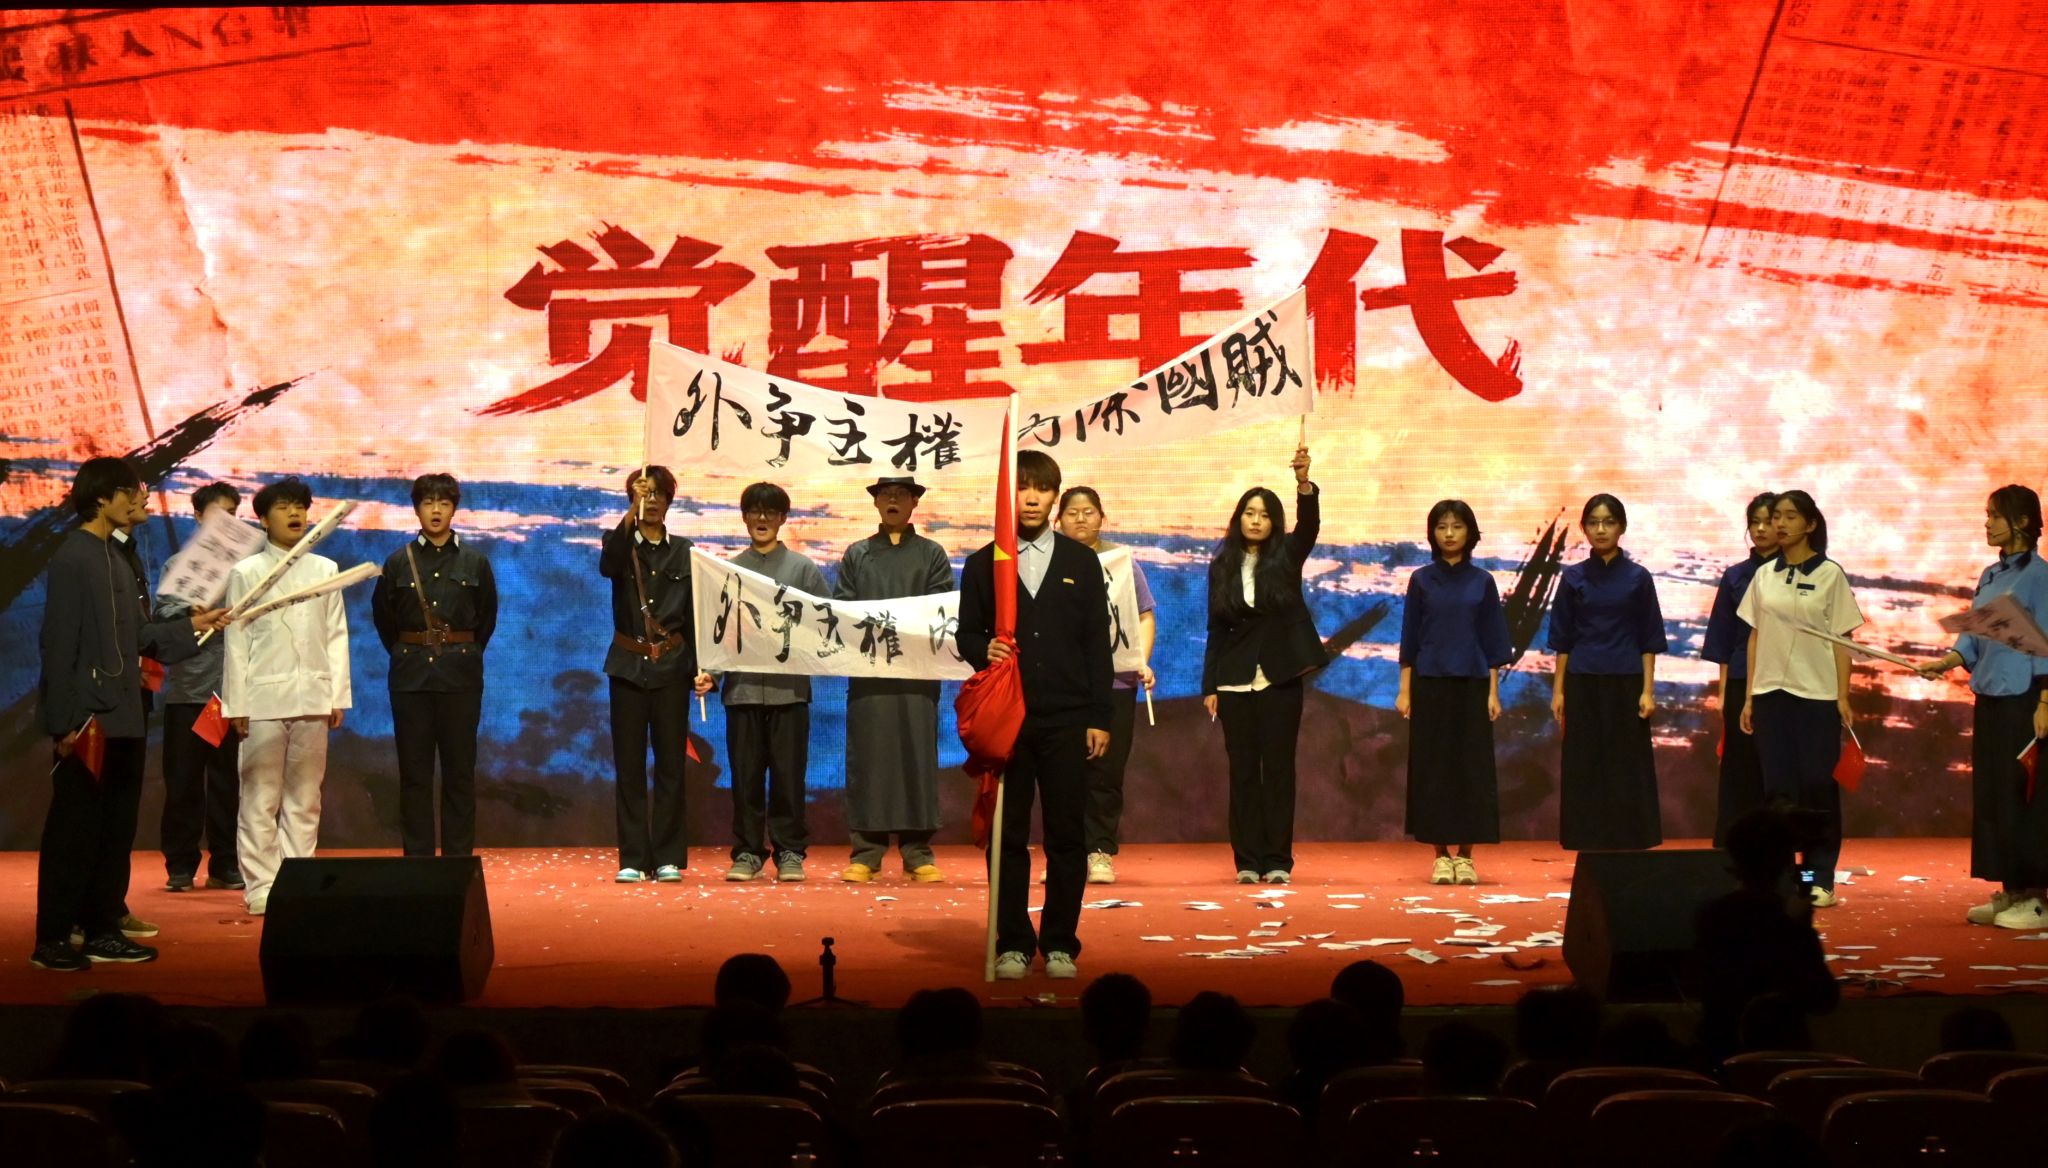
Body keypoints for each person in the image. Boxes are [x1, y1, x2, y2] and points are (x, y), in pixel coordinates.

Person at [32, 458, 225, 971]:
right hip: (89, 718)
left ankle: (101, 929)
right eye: (131, 490)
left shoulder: (116, 556)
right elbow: (58, 644)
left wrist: (194, 626)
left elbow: (139, 637)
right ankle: (52, 939)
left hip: (124, 713)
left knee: (114, 829)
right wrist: (63, 723)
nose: (142, 497)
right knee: (75, 830)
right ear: (102, 498)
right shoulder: (75, 556)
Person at [959, 450, 1114, 980]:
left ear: (1054, 497)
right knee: (1007, 836)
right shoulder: (985, 563)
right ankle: (1013, 943)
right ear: (1008, 495)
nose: (1030, 498)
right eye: (1022, 488)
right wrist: (983, 649)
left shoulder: (1080, 562)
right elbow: (966, 632)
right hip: (1008, 720)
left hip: (1067, 719)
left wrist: (1100, 716)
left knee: (1067, 835)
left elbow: (1096, 643)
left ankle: (1061, 943)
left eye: (1041, 489)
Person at [1916, 485, 2048, 931]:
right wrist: (1946, 662)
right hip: (1990, 695)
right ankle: (2011, 889)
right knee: (1994, 795)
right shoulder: (1991, 575)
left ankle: (2036, 897)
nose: (1987, 523)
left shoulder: (2039, 577)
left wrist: (2045, 701)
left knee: (2024, 796)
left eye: (1994, 516)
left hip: (2025, 700)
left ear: (2022, 522)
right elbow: (1974, 636)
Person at [224, 476, 351, 917]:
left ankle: (299, 879)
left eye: (300, 506)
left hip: (313, 695)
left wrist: (336, 695)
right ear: (263, 519)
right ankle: (261, 885)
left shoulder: (325, 569)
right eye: (283, 507)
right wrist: (236, 704)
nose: (295, 514)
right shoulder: (245, 572)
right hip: (262, 699)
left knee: (305, 796)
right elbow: (236, 641)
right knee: (260, 796)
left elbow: (335, 633)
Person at [1201, 446, 1326, 883]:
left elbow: (1309, 527)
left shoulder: (1287, 557)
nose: (1256, 521)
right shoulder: (1221, 566)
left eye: (1265, 515)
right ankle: (1247, 862)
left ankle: (1277, 860)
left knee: (1277, 770)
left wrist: (1303, 484)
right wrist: (1210, 686)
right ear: (1238, 519)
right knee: (1242, 774)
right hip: (1234, 681)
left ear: (1275, 522)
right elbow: (1216, 629)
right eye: (1249, 513)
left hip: (1279, 678)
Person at [1738, 490, 1862, 907]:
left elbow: (1843, 639)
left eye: (1790, 516)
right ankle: (1784, 877)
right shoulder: (1764, 575)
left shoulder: (1830, 574)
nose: (1779, 523)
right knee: (1778, 792)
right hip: (1770, 695)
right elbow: (1755, 636)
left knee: (1816, 788)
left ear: (1810, 525)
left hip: (1816, 696)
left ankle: (1817, 876)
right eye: (1776, 516)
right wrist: (1750, 696)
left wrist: (1842, 696)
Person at [701, 483, 829, 883]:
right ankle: (748, 852)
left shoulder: (803, 569)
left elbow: (828, 624)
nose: (762, 518)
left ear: (783, 519)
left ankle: (789, 851)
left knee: (789, 778)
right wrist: (710, 673)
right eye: (754, 511)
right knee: (746, 778)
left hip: (789, 692)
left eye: (770, 512)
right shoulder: (728, 570)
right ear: (744, 518)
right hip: (741, 692)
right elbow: (718, 632)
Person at [371, 473, 498, 858]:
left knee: (459, 774)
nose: (436, 510)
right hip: (410, 681)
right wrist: (410, 650)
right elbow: (384, 620)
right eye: (428, 503)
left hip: (461, 680)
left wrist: (460, 652)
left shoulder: (476, 562)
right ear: (417, 509)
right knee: (414, 776)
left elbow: (486, 620)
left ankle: (457, 864)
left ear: (454, 508)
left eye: (444, 502)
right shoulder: (397, 562)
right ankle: (419, 864)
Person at [836, 475, 954, 883]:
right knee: (869, 757)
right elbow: (844, 610)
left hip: (917, 674)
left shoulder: (932, 554)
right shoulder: (858, 554)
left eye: (901, 494)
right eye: (885, 494)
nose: (892, 500)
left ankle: (917, 851)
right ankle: (866, 852)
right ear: (875, 503)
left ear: (914, 502)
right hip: (870, 674)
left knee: (915, 756)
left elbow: (940, 608)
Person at [1397, 499, 1512, 885]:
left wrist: (1493, 692)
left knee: (1471, 770)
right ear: (1432, 533)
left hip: (1472, 685)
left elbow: (1493, 641)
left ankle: (1465, 856)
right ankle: (1440, 855)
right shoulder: (1421, 580)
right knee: (1434, 770)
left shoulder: (1482, 581)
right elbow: (1410, 639)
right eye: (1442, 526)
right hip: (1430, 683)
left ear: (1470, 533)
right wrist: (1404, 690)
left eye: (1457, 526)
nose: (1449, 533)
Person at [1548, 493, 1666, 851]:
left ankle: (1630, 840)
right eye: (1594, 523)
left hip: (1626, 681)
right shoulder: (1573, 578)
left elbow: (1649, 638)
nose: (1601, 529)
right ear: (1584, 529)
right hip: (1583, 681)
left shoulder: (1638, 577)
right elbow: (1563, 640)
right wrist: (1558, 691)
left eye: (1609, 522)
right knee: (1585, 763)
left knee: (1626, 763)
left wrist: (1648, 690)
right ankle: (1588, 840)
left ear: (1622, 527)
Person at [598, 466, 695, 884]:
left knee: (671, 765)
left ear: (670, 501)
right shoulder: (618, 543)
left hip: (672, 667)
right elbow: (608, 566)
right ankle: (633, 857)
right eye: (644, 493)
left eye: (659, 494)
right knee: (630, 765)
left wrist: (700, 669)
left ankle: (668, 856)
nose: (652, 501)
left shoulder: (685, 551)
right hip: (628, 667)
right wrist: (630, 511)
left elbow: (693, 614)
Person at [1057, 486, 1158, 885]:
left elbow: (1144, 615)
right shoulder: (1047, 562)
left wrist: (1141, 661)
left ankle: (1099, 851)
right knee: (1063, 774)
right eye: (1072, 512)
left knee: (1106, 771)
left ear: (1102, 517)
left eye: (1088, 512)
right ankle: (1066, 854)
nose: (1080, 519)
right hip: (1063, 685)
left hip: (1115, 682)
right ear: (1058, 520)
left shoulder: (1121, 561)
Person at [1691, 806, 1840, 1063]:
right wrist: (1799, 929)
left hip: (1720, 1055)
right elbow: (1823, 999)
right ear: (1784, 862)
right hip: (1786, 1060)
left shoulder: (1711, 915)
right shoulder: (1786, 922)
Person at [158, 483, 247, 894]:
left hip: (232, 693)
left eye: (233, 514)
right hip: (188, 693)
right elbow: (163, 614)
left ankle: (225, 863)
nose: (226, 522)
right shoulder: (178, 565)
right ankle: (180, 864)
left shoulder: (250, 567)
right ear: (197, 517)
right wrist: (194, 610)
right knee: (183, 782)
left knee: (228, 783)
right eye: (217, 514)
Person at [1700, 493, 1780, 846]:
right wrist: (1722, 692)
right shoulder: (1734, 576)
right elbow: (1722, 637)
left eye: (1768, 522)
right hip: (1740, 678)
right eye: (1754, 523)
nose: (1760, 529)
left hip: (1784, 678)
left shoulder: (1793, 573)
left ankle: (1779, 843)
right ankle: (1734, 842)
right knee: (1739, 763)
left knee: (1777, 763)